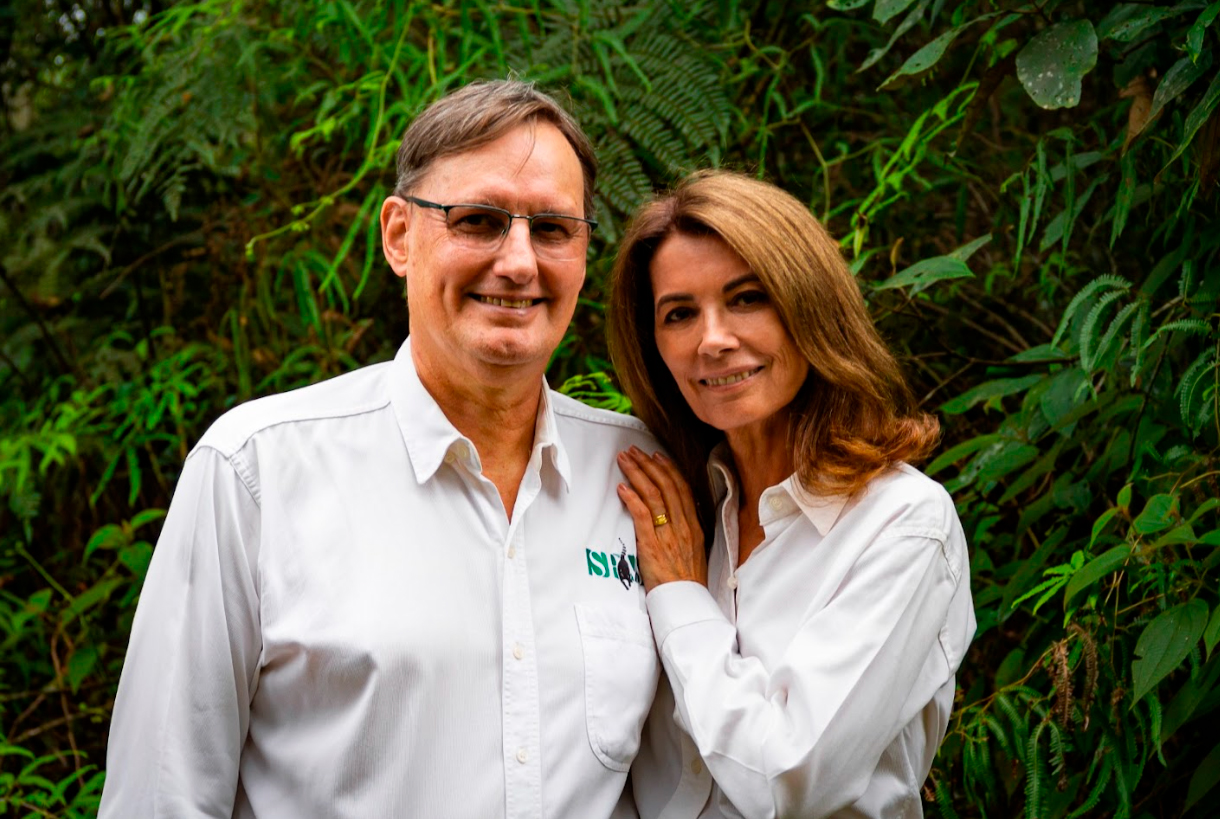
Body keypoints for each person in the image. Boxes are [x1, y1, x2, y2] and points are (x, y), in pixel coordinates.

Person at [99, 80, 664, 819]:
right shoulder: (257, 470)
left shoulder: (642, 478)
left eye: (553, 228)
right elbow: (161, 795)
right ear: (400, 235)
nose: (520, 261)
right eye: (480, 220)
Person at [609, 170, 976, 819]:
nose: (712, 339)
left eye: (746, 298)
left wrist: (677, 597)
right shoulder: (672, 508)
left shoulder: (902, 524)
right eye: (679, 313)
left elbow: (790, 781)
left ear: (807, 304)